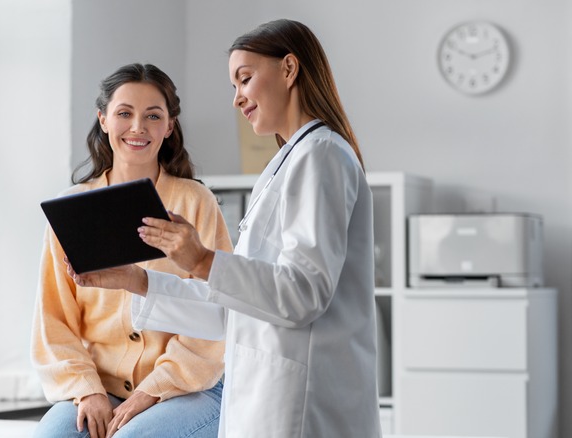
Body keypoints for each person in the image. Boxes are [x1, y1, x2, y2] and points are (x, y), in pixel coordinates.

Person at [68, 19, 382, 437]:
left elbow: (304, 294)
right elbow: (232, 309)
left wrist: (201, 259)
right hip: (267, 393)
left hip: (302, 402)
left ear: (289, 69)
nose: (237, 99)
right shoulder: (288, 163)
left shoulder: (321, 156)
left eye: (245, 79)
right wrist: (136, 280)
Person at [31, 63, 232, 438]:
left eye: (153, 116)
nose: (138, 127)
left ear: (169, 126)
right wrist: (87, 390)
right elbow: (53, 320)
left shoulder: (196, 203)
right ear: (103, 119)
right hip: (98, 385)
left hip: (191, 387)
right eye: (124, 113)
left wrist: (150, 392)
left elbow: (217, 315)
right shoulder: (70, 209)